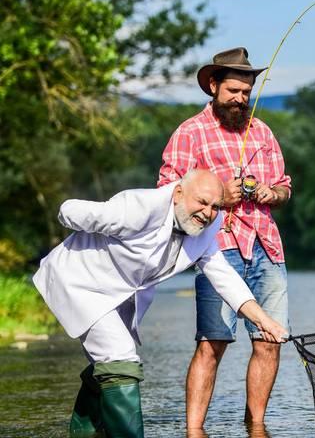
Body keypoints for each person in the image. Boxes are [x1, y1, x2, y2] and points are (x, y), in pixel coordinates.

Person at [33, 169, 287, 438]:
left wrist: (263, 320)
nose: (207, 212)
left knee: (109, 365)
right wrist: (75, 218)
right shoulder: (136, 208)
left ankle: (84, 432)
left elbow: (223, 276)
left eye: (215, 207)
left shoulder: (207, 227)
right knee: (120, 357)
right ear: (178, 193)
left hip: (119, 294)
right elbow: (69, 210)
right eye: (201, 202)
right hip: (81, 284)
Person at [158, 47, 292, 429]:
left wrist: (272, 193)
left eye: (246, 92)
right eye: (233, 90)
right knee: (211, 343)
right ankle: (195, 430)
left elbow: (285, 187)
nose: (240, 99)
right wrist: (220, 196)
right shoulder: (190, 132)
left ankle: (257, 426)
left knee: (269, 340)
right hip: (217, 250)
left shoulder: (262, 132)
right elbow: (169, 190)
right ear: (213, 85)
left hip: (267, 246)